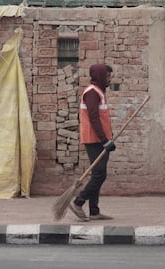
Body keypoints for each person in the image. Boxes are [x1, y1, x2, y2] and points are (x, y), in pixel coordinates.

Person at [70, 63, 116, 221]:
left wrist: (109, 137)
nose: (109, 79)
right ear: (101, 76)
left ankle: (94, 211)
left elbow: (102, 118)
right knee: (99, 175)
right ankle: (78, 202)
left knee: (98, 174)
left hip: (100, 139)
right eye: (108, 76)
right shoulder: (92, 93)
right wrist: (104, 140)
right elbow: (93, 118)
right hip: (94, 139)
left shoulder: (98, 92)